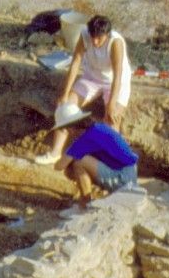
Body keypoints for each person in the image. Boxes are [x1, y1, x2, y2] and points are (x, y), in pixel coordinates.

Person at [34, 15, 133, 165]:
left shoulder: (115, 42)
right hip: (92, 78)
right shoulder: (85, 35)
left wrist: (111, 104)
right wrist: (65, 94)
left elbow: (118, 75)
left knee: (112, 120)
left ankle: (110, 162)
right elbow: (75, 63)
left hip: (116, 81)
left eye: (99, 38)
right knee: (65, 108)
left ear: (107, 34)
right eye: (93, 37)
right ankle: (55, 153)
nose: (94, 41)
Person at [47, 106, 140, 218]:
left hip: (123, 178)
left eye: (66, 129)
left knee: (78, 163)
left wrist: (68, 153)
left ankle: (85, 206)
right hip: (128, 173)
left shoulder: (86, 138)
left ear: (71, 127)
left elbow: (59, 166)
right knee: (72, 168)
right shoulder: (96, 128)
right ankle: (88, 198)